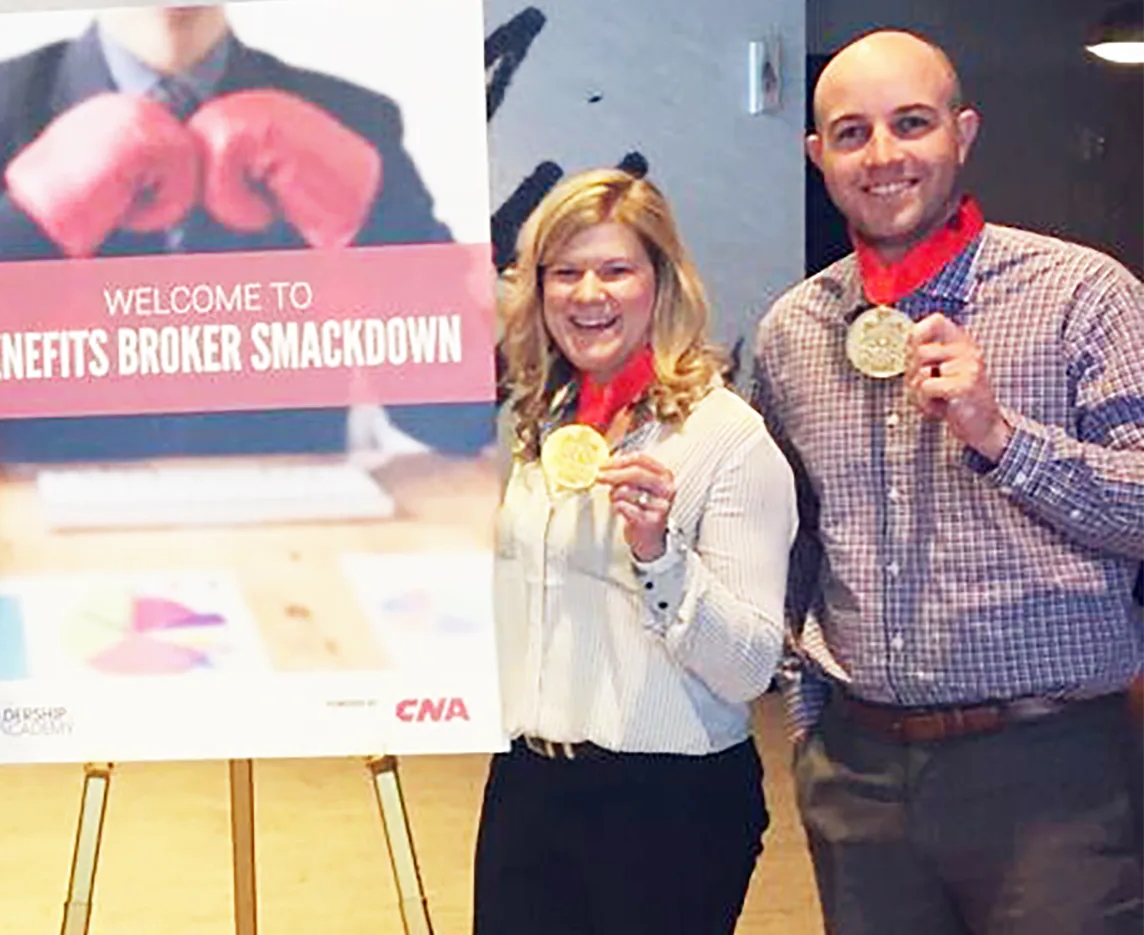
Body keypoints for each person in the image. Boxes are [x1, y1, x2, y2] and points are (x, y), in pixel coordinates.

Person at [751, 29, 1144, 934]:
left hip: (1051, 771)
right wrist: (811, 723)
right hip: (859, 774)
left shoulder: (1081, 295)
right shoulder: (793, 332)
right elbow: (791, 543)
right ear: (819, 155)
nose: (883, 155)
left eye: (912, 123)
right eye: (852, 133)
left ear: (963, 133)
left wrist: (1000, 435)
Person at [0, 2, 489, 464]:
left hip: (295, 547)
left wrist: (371, 228)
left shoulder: (354, 118)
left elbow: (459, 421)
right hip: (42, 542)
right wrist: (28, 224)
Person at [474, 168, 794, 935]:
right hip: (529, 784)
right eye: (566, 272)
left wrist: (660, 555)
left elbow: (751, 667)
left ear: (662, 282)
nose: (589, 294)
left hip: (667, 802)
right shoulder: (537, 422)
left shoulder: (726, 438)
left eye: (616, 269)